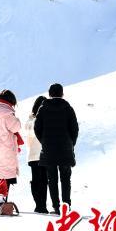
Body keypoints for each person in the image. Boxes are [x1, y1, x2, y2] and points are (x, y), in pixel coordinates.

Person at [35, 83, 79, 214]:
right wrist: (70, 143)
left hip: (49, 150)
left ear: (49, 94)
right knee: (65, 179)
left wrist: (44, 142)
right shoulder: (68, 108)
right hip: (65, 149)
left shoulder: (43, 109)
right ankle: (66, 206)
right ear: (62, 93)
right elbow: (75, 129)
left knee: (52, 180)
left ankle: (56, 206)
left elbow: (37, 128)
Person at [24, 96, 50, 213]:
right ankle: (42, 206)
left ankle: (39, 205)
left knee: (36, 181)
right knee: (43, 181)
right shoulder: (42, 120)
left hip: (32, 155)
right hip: (43, 154)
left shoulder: (29, 121)